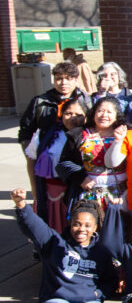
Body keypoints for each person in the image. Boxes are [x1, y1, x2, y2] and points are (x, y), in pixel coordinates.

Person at [14, 190, 113, 303]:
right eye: (77, 224)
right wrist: (21, 206)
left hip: (87, 302)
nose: (81, 229)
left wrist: (97, 295)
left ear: (95, 228)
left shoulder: (102, 253)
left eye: (87, 225)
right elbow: (33, 226)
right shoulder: (54, 243)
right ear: (70, 223)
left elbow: (110, 282)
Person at [27, 99, 86, 232]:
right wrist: (34, 187)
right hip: (48, 193)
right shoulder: (45, 135)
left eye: (78, 114)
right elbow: (31, 159)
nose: (72, 118)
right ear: (61, 114)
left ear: (86, 116)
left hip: (76, 191)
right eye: (68, 113)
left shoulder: (90, 136)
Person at [57, 96, 127, 209]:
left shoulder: (126, 134)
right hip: (88, 193)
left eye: (109, 112)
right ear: (93, 114)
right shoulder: (79, 135)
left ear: (116, 116)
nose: (104, 115)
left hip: (121, 195)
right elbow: (63, 163)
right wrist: (80, 178)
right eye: (100, 111)